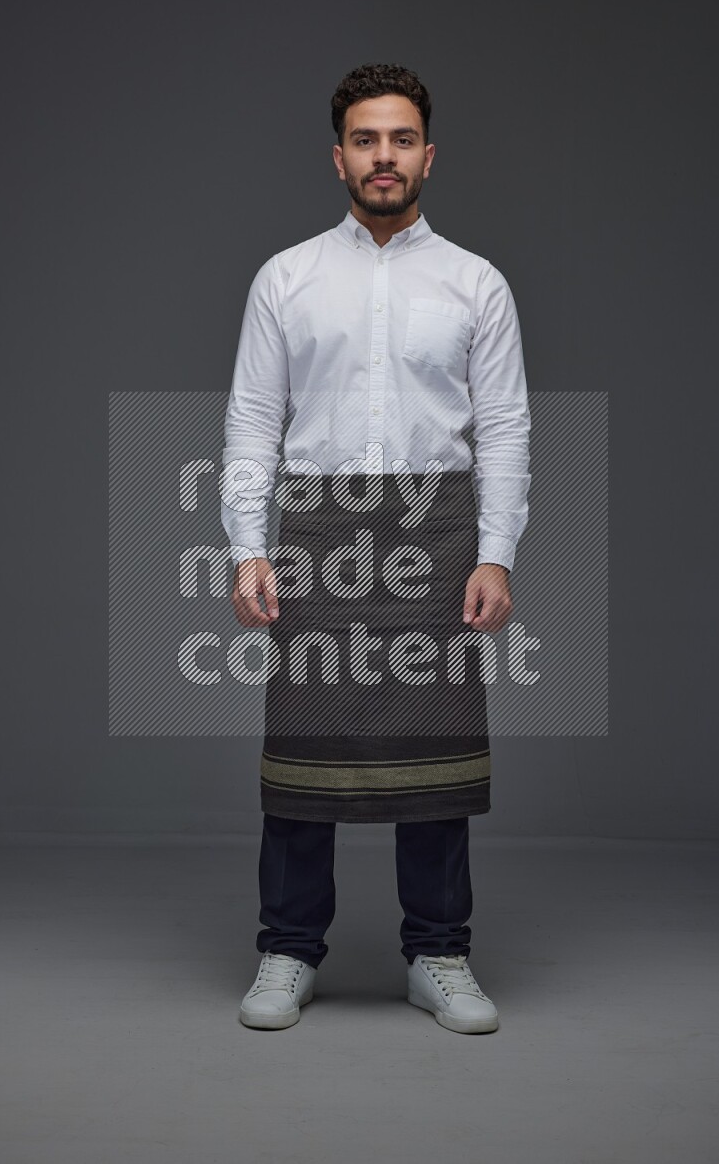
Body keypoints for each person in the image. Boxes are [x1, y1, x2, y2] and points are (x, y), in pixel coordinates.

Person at [220, 62, 531, 1033]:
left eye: (400, 139)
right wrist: (245, 544)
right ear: (338, 157)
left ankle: (438, 952)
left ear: (428, 156)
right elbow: (253, 419)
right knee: (302, 749)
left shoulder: (475, 282)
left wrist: (495, 551)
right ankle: (287, 948)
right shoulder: (287, 277)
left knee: (434, 754)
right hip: (317, 528)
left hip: (436, 532)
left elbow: (505, 425)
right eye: (365, 140)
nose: (383, 156)